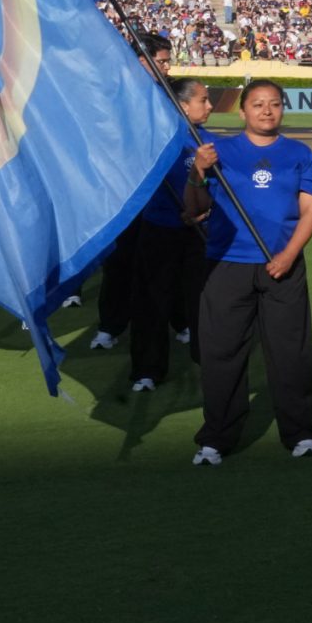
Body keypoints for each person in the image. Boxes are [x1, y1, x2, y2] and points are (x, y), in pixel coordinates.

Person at [191, 79, 312, 465]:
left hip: (282, 267)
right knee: (222, 354)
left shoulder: (299, 153)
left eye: (274, 104)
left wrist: (289, 254)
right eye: (258, 104)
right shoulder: (219, 151)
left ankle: (299, 433)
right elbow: (194, 207)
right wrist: (198, 172)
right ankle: (216, 438)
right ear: (242, 111)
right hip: (226, 265)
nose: (267, 111)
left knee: (290, 354)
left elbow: (311, 209)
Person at [126, 77, 217, 392]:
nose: (209, 106)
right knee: (152, 302)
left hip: (198, 234)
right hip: (160, 231)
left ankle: (209, 361)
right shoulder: (156, 141)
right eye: (202, 100)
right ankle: (147, 370)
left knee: (203, 301)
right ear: (182, 105)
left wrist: (202, 211)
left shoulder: (208, 142)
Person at [91, 32, 175, 347]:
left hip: (163, 193)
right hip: (124, 195)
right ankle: (111, 326)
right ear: (142, 61)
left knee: (166, 264)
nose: (167, 69)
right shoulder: (113, 94)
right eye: (162, 62)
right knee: (119, 264)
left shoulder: (170, 94)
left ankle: (178, 321)